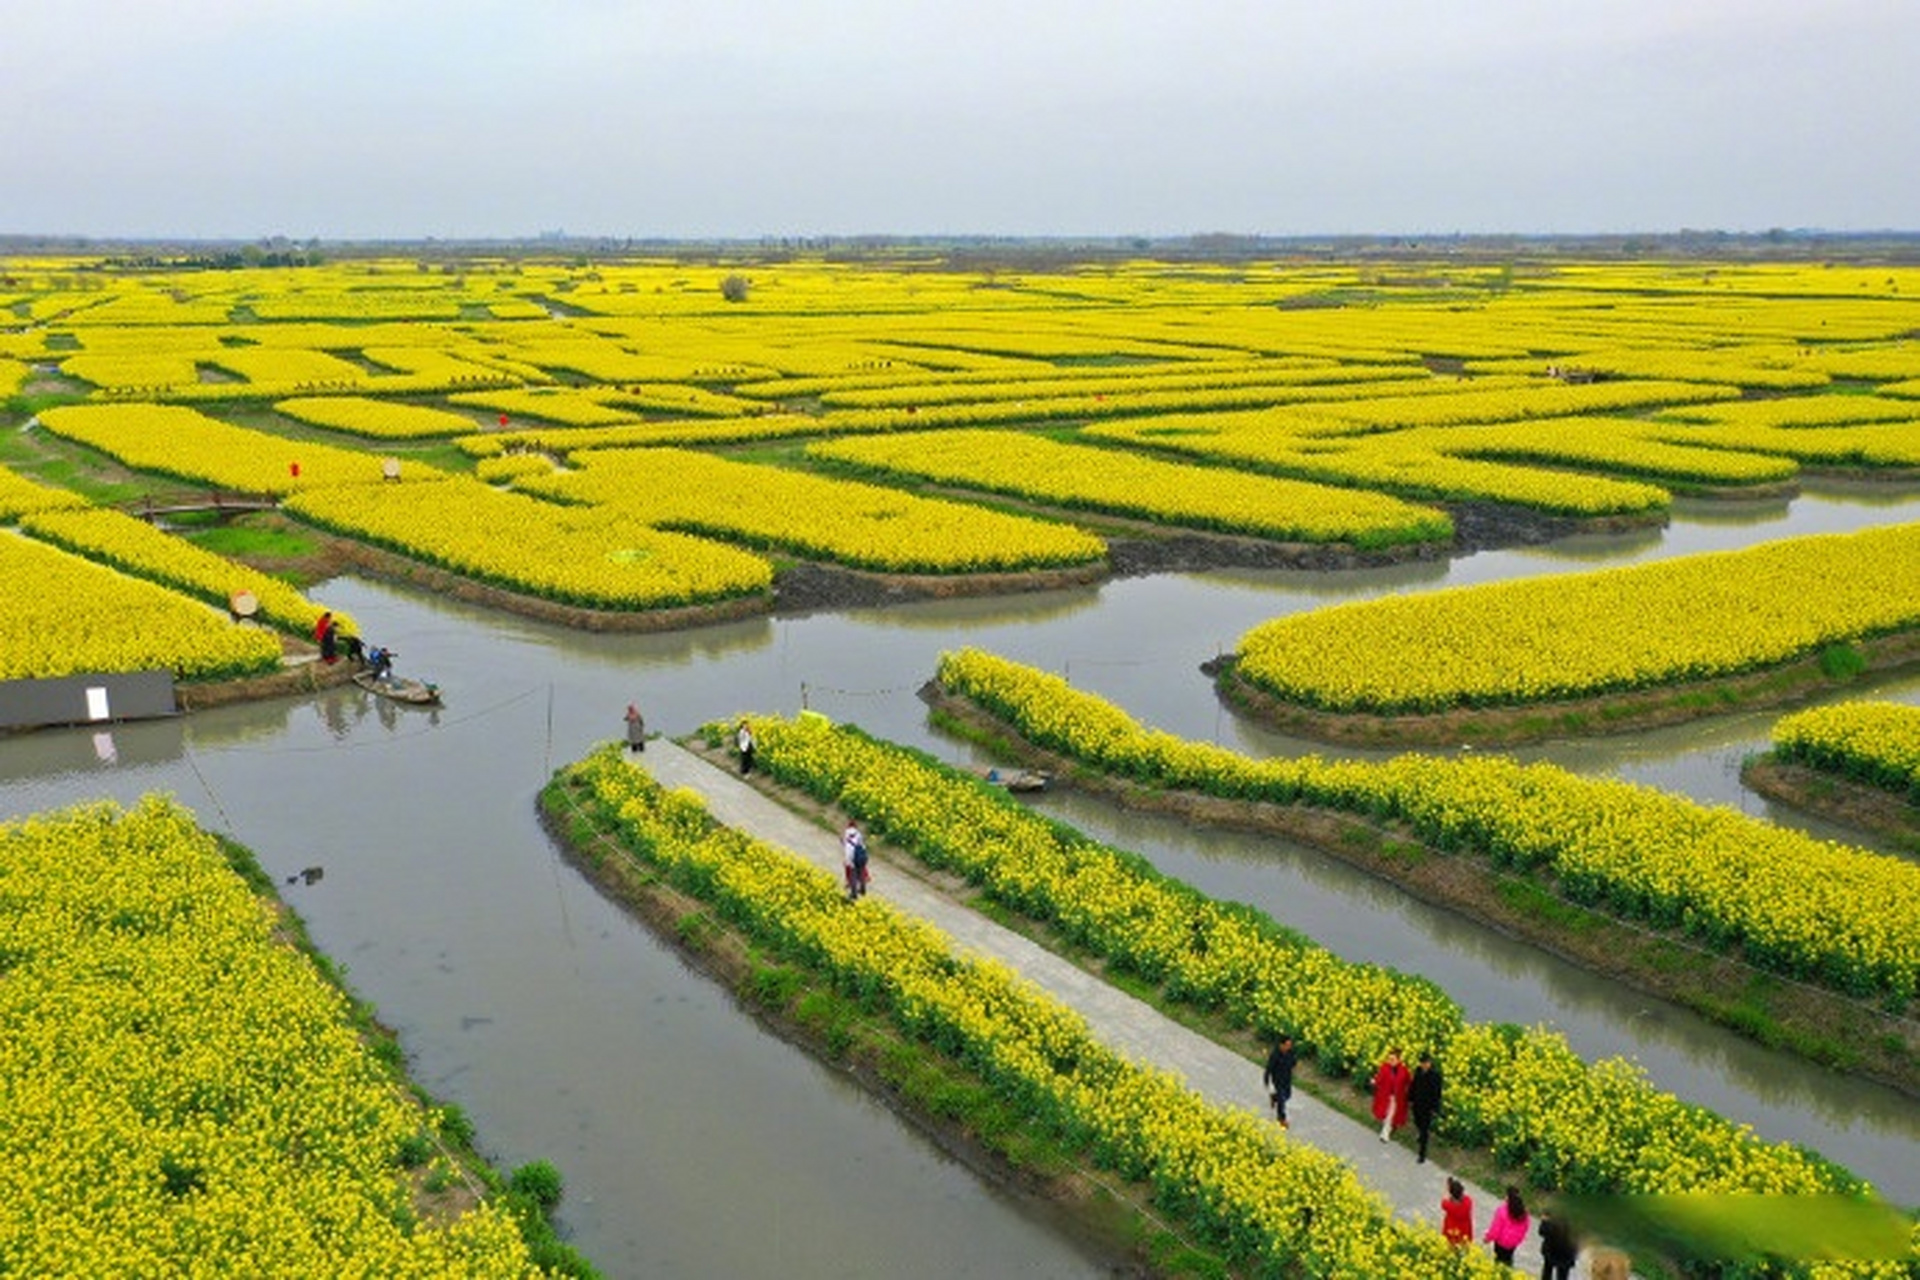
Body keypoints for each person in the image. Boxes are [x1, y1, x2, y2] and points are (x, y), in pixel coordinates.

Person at [1370, 1047, 1411, 1143]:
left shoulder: (1403, 1070)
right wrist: (1374, 1082)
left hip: (1396, 1098)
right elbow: (1379, 1078)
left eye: (1392, 1059)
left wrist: (1407, 1092)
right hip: (1385, 1096)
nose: (1390, 1061)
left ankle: (1384, 1134)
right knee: (1386, 1113)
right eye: (1389, 1059)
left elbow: (1408, 1082)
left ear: (1398, 1060)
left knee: (1390, 1115)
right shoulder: (1384, 1067)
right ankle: (1388, 1128)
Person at [1483, 1185, 1530, 1267]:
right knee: (1508, 1259)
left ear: (1508, 1198)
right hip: (1513, 1243)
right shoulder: (1524, 1214)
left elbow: (1495, 1229)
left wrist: (1488, 1238)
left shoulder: (1502, 1211)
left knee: (1498, 1261)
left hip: (1501, 1243)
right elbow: (1525, 1229)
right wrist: (1518, 1240)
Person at [1409, 1051, 1444, 1162]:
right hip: (1417, 1103)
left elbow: (1437, 1093)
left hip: (1427, 1106)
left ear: (1430, 1063)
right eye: (1422, 1062)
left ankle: (1422, 1154)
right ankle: (1420, 1134)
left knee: (1425, 1129)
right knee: (1417, 1122)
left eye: (1426, 1062)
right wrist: (1410, 1098)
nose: (1424, 1065)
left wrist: (1435, 1108)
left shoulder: (1435, 1076)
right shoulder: (1418, 1071)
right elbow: (1413, 1085)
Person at [1262, 1033, 1297, 1127]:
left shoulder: (1290, 1052)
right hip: (1278, 1080)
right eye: (1287, 1045)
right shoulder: (1275, 1055)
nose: (1289, 1047)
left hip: (1287, 1078)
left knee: (1288, 1095)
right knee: (1282, 1100)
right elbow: (1269, 1068)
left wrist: (1293, 1064)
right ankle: (1281, 1119)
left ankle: (1274, 1097)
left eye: (1290, 1045)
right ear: (1281, 1045)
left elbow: (1294, 1062)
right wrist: (1266, 1079)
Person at [1536, 1208, 1578, 1280]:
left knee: (1547, 1273)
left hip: (1552, 1250)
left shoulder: (1553, 1210)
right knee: (1561, 1275)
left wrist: (1544, 1221)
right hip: (1566, 1253)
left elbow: (1542, 1232)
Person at [1440, 1177, 1474, 1249]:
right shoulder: (1468, 1202)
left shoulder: (1448, 1205)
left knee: (1451, 1246)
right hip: (1465, 1230)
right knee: (1464, 1246)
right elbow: (1464, 1196)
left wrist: (1449, 1188)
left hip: (1452, 1230)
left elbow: (1444, 1199)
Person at [842, 820, 869, 901]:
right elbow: (862, 845)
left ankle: (854, 893)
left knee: (853, 875)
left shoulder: (846, 833)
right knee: (861, 872)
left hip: (851, 856)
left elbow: (845, 845)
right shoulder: (858, 833)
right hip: (861, 855)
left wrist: (847, 861)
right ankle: (863, 889)